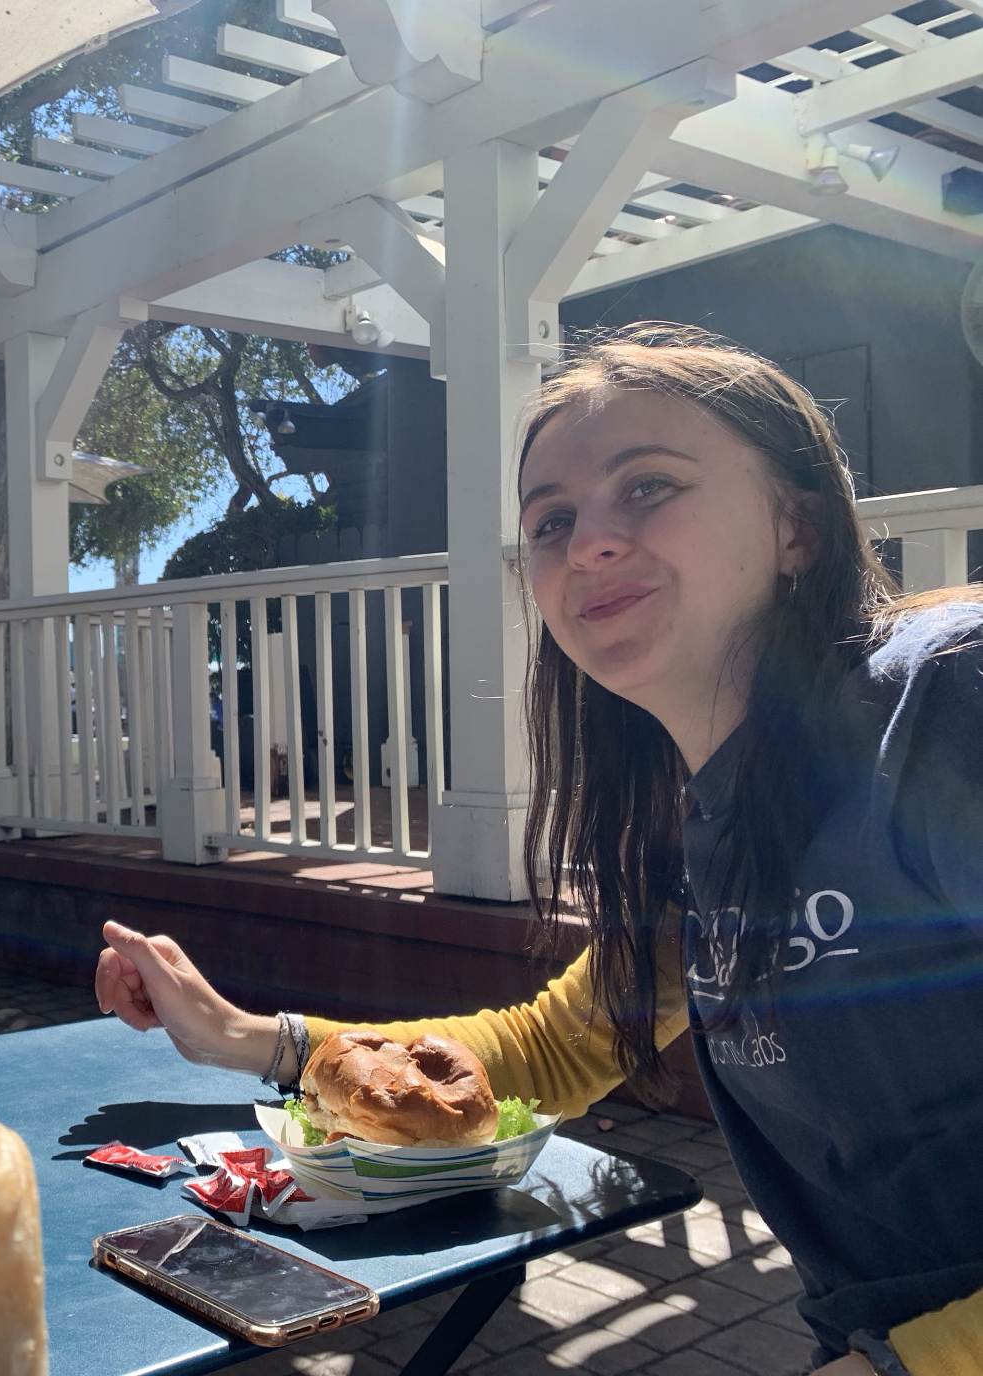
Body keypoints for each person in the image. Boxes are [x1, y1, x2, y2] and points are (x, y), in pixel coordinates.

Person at [94, 327, 983, 1376]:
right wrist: (253, 1037)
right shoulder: (703, 830)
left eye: (647, 485)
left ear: (795, 522)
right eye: (550, 521)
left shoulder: (939, 705)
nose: (588, 543)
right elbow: (550, 1049)